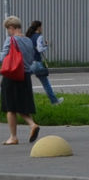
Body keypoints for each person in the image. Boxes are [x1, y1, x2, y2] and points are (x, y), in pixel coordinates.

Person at [2, 16, 40, 146]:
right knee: (21, 104)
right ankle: (32, 124)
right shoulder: (28, 41)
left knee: (10, 107)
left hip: (12, 76)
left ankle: (13, 137)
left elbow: (3, 57)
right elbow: (30, 59)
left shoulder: (11, 39)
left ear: (11, 28)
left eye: (8, 29)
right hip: (25, 76)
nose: (8, 32)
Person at [26, 20, 63, 105]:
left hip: (28, 63)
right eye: (41, 26)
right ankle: (54, 101)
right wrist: (46, 46)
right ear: (38, 27)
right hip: (37, 63)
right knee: (46, 84)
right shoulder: (39, 36)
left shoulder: (29, 36)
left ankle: (24, 102)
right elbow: (40, 49)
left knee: (23, 83)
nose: (42, 28)